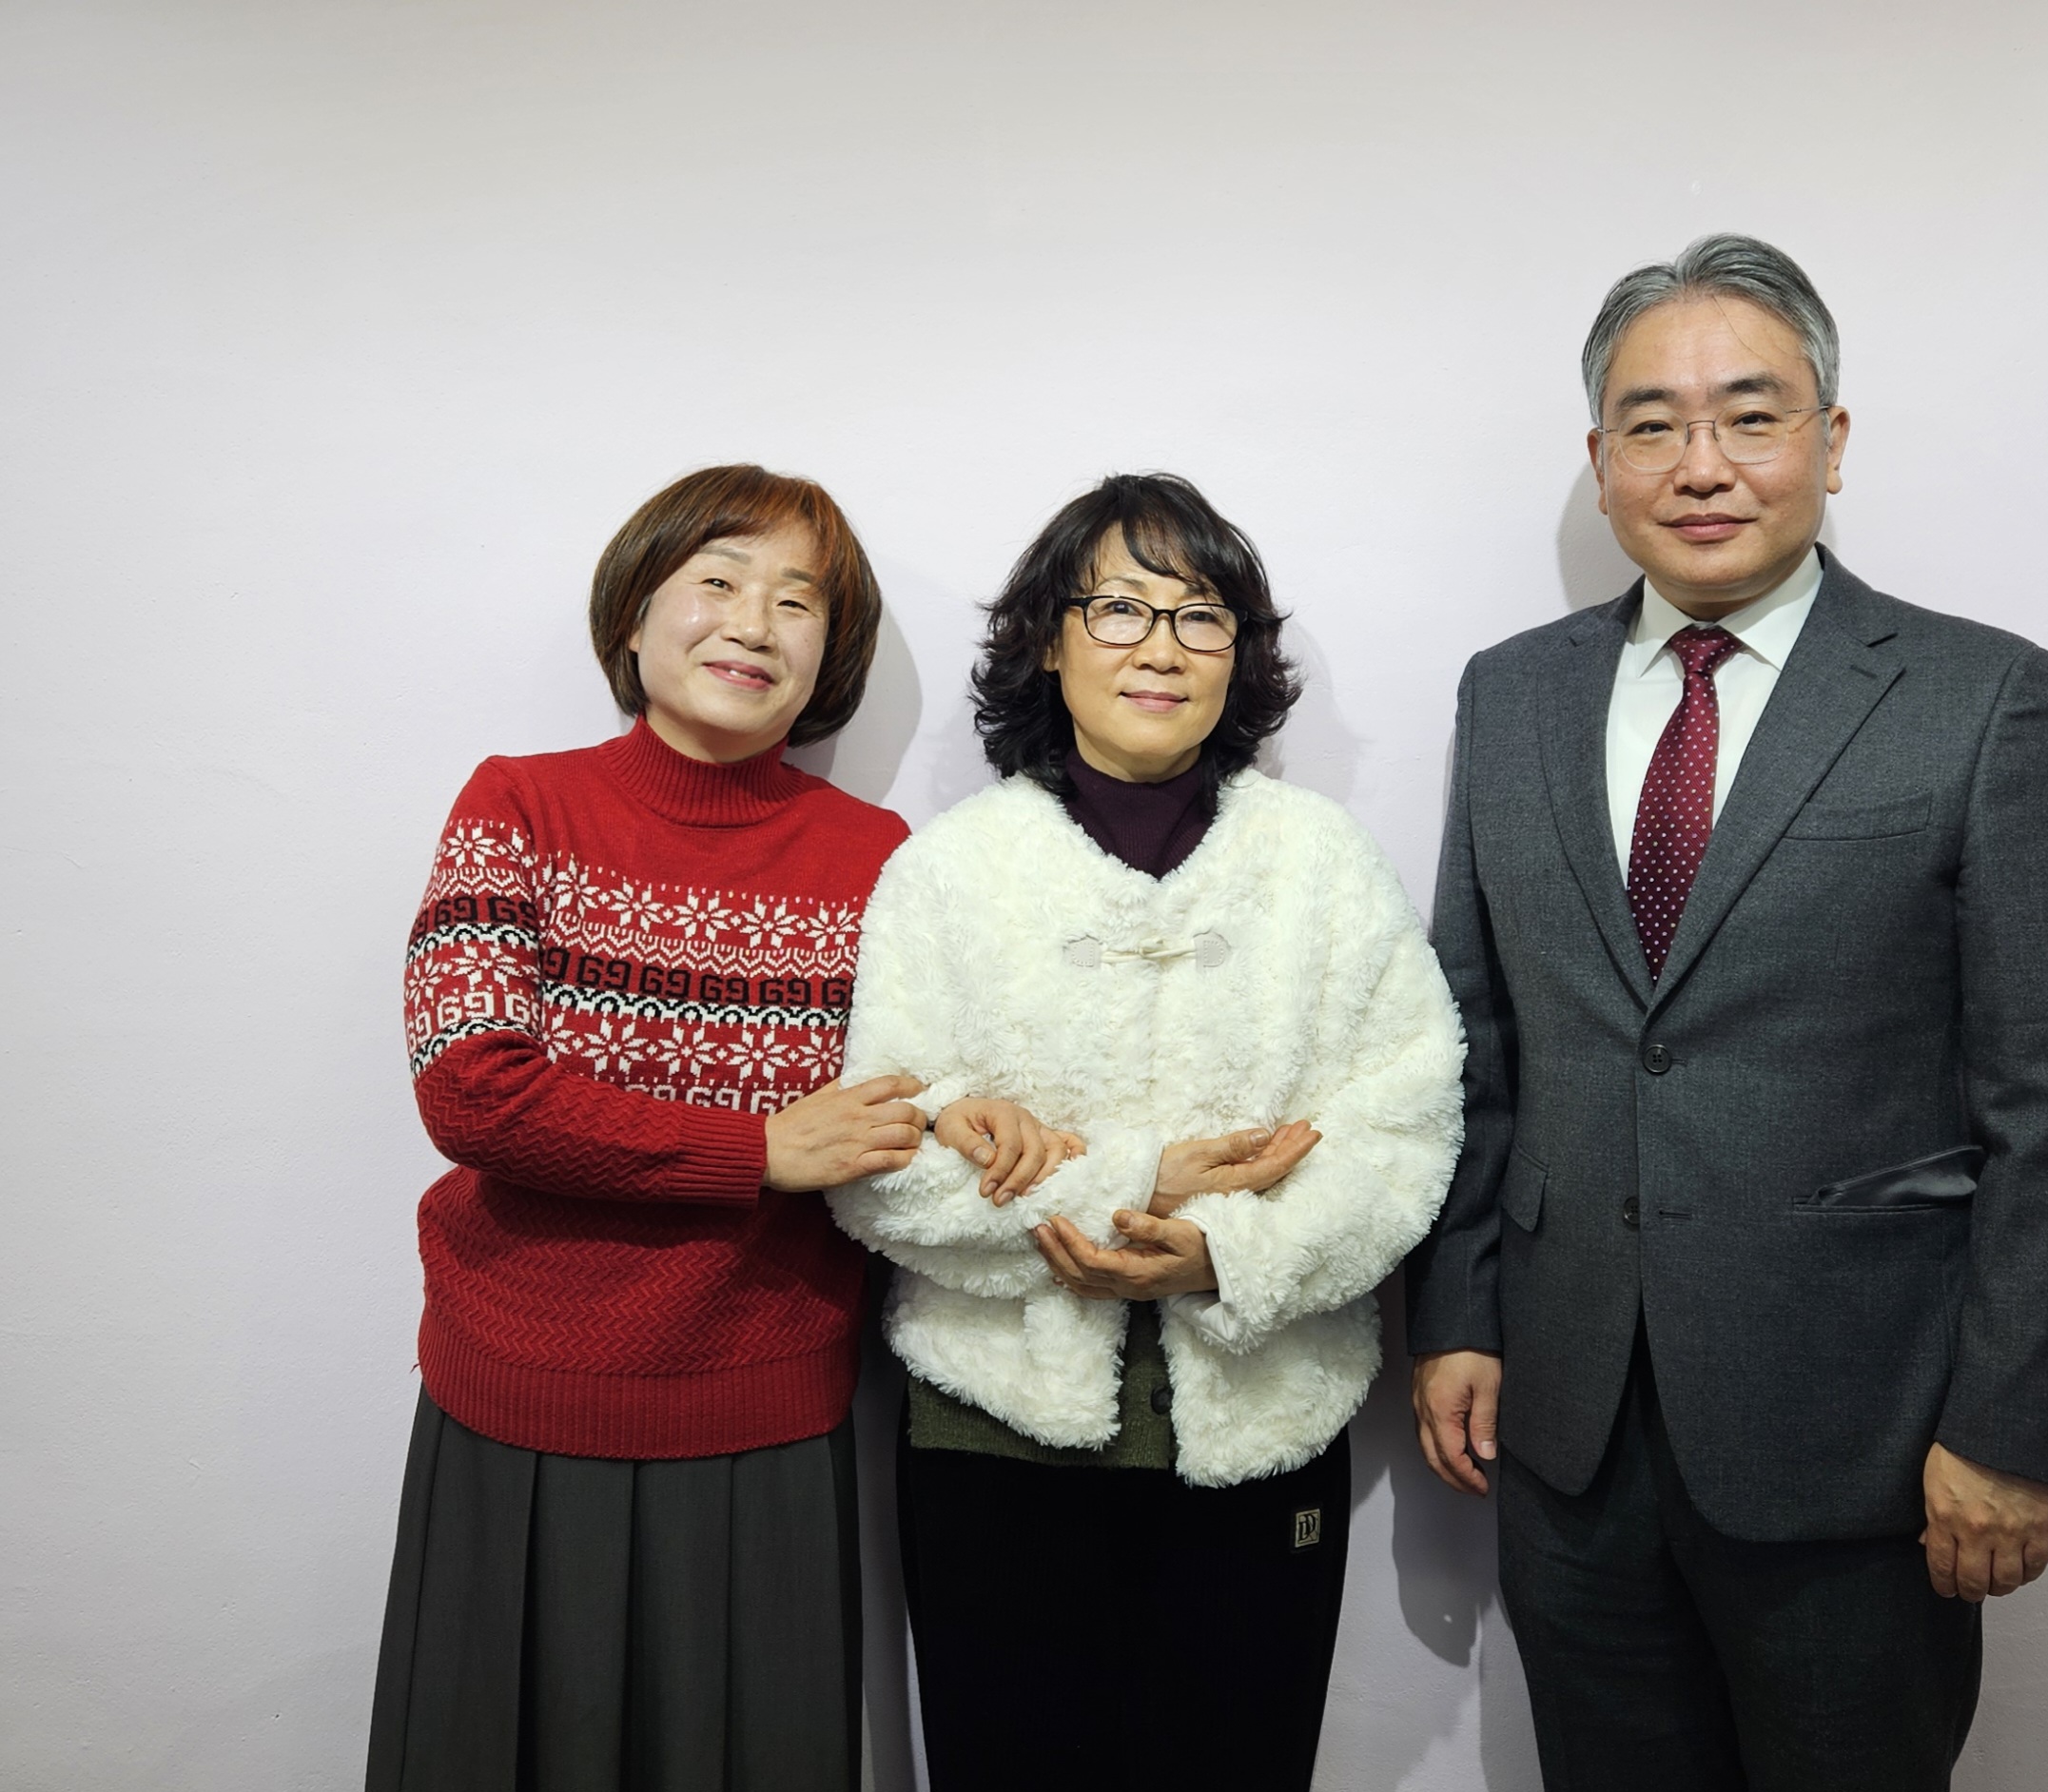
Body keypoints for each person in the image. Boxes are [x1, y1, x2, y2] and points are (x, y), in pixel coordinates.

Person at [1405, 235, 2048, 1790]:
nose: (1702, 465)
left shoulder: (1983, 700)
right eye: (1653, 424)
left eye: (1751, 415)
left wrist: (2010, 1429)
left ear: (1832, 440)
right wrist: (1458, 1314)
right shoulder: (1510, 695)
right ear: (1600, 461)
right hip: (1569, 1434)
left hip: (1863, 1443)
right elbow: (1474, 1039)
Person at [828, 473, 1464, 1792]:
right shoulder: (948, 872)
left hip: (1262, 1422)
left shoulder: (1323, 866)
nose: (1161, 647)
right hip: (994, 1430)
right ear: (1047, 642)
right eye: (1118, 609)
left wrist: (1225, 1256)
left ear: (1242, 655)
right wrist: (1139, 1186)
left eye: (1201, 615)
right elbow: (883, 1162)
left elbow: (1405, 1130)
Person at [367, 464, 931, 1792]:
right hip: (520, 1401)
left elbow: (916, 1100)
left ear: (830, 657)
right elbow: (472, 1088)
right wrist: (756, 1152)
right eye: (718, 580)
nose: (754, 622)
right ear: (633, 615)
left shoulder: (880, 855)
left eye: (799, 602)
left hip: (768, 1410)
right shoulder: (520, 803)